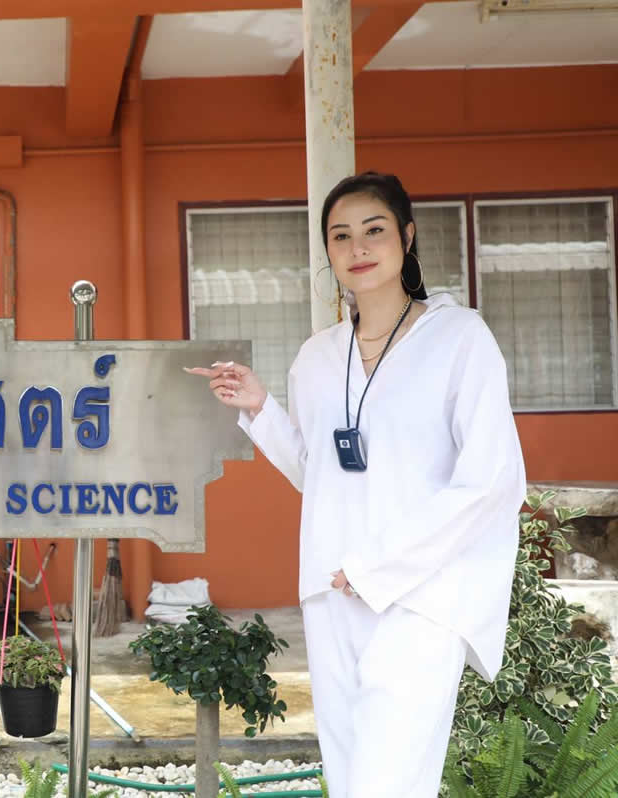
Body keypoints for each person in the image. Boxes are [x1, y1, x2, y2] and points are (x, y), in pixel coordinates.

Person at [186, 172, 526, 797]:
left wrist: (380, 566)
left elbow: (493, 481)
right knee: (349, 780)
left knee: (388, 780)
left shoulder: (459, 338)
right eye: (340, 236)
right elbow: (317, 473)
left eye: (374, 230)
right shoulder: (317, 357)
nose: (358, 247)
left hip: (421, 594)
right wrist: (260, 407)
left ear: (407, 237)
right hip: (332, 589)